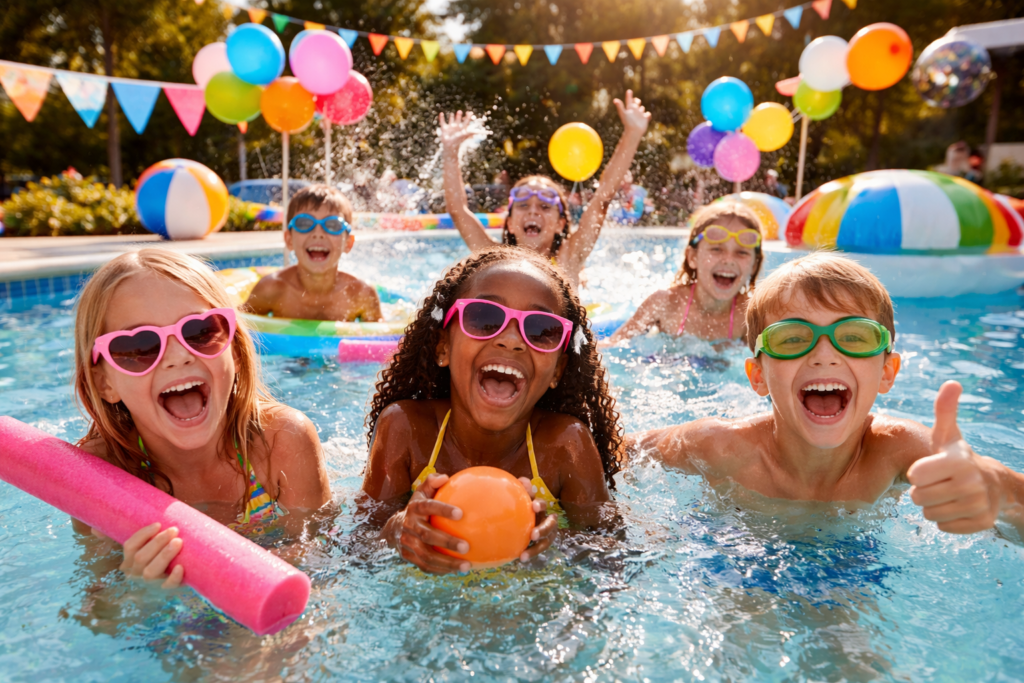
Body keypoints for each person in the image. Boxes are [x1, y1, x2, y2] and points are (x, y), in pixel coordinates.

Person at [628, 252, 1024, 535]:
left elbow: (1001, 498)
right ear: (758, 376)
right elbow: (617, 449)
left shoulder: (896, 450)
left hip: (854, 565)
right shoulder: (721, 447)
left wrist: (999, 491)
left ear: (887, 372)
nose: (823, 354)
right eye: (792, 338)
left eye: (854, 337)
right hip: (734, 547)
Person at [73, 249, 331, 588]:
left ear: (234, 350)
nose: (178, 356)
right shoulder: (99, 476)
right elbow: (97, 607)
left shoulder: (281, 441)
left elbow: (323, 569)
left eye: (199, 331)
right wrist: (137, 594)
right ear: (104, 383)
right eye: (139, 347)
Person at [361, 247, 624, 574]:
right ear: (443, 346)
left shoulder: (565, 445)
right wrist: (397, 532)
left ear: (558, 370)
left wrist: (558, 542)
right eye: (484, 318)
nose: (511, 340)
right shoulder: (407, 430)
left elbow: (613, 550)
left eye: (541, 330)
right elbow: (358, 541)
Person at [439, 91, 652, 288]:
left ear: (560, 224)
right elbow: (458, 211)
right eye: (523, 205)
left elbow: (602, 199)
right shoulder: (495, 258)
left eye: (544, 206)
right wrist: (450, 152)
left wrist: (632, 134)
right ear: (510, 224)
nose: (533, 211)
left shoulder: (569, 257)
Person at [609, 202, 764, 344]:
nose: (729, 260)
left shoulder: (748, 317)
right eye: (716, 249)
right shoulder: (664, 303)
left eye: (742, 252)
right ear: (692, 257)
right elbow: (612, 346)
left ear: (754, 265)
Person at [244, 185, 382, 322]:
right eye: (304, 223)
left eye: (332, 225)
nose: (318, 233)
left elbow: (381, 334)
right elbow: (239, 328)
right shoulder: (271, 290)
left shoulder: (361, 294)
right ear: (289, 240)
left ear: (348, 243)